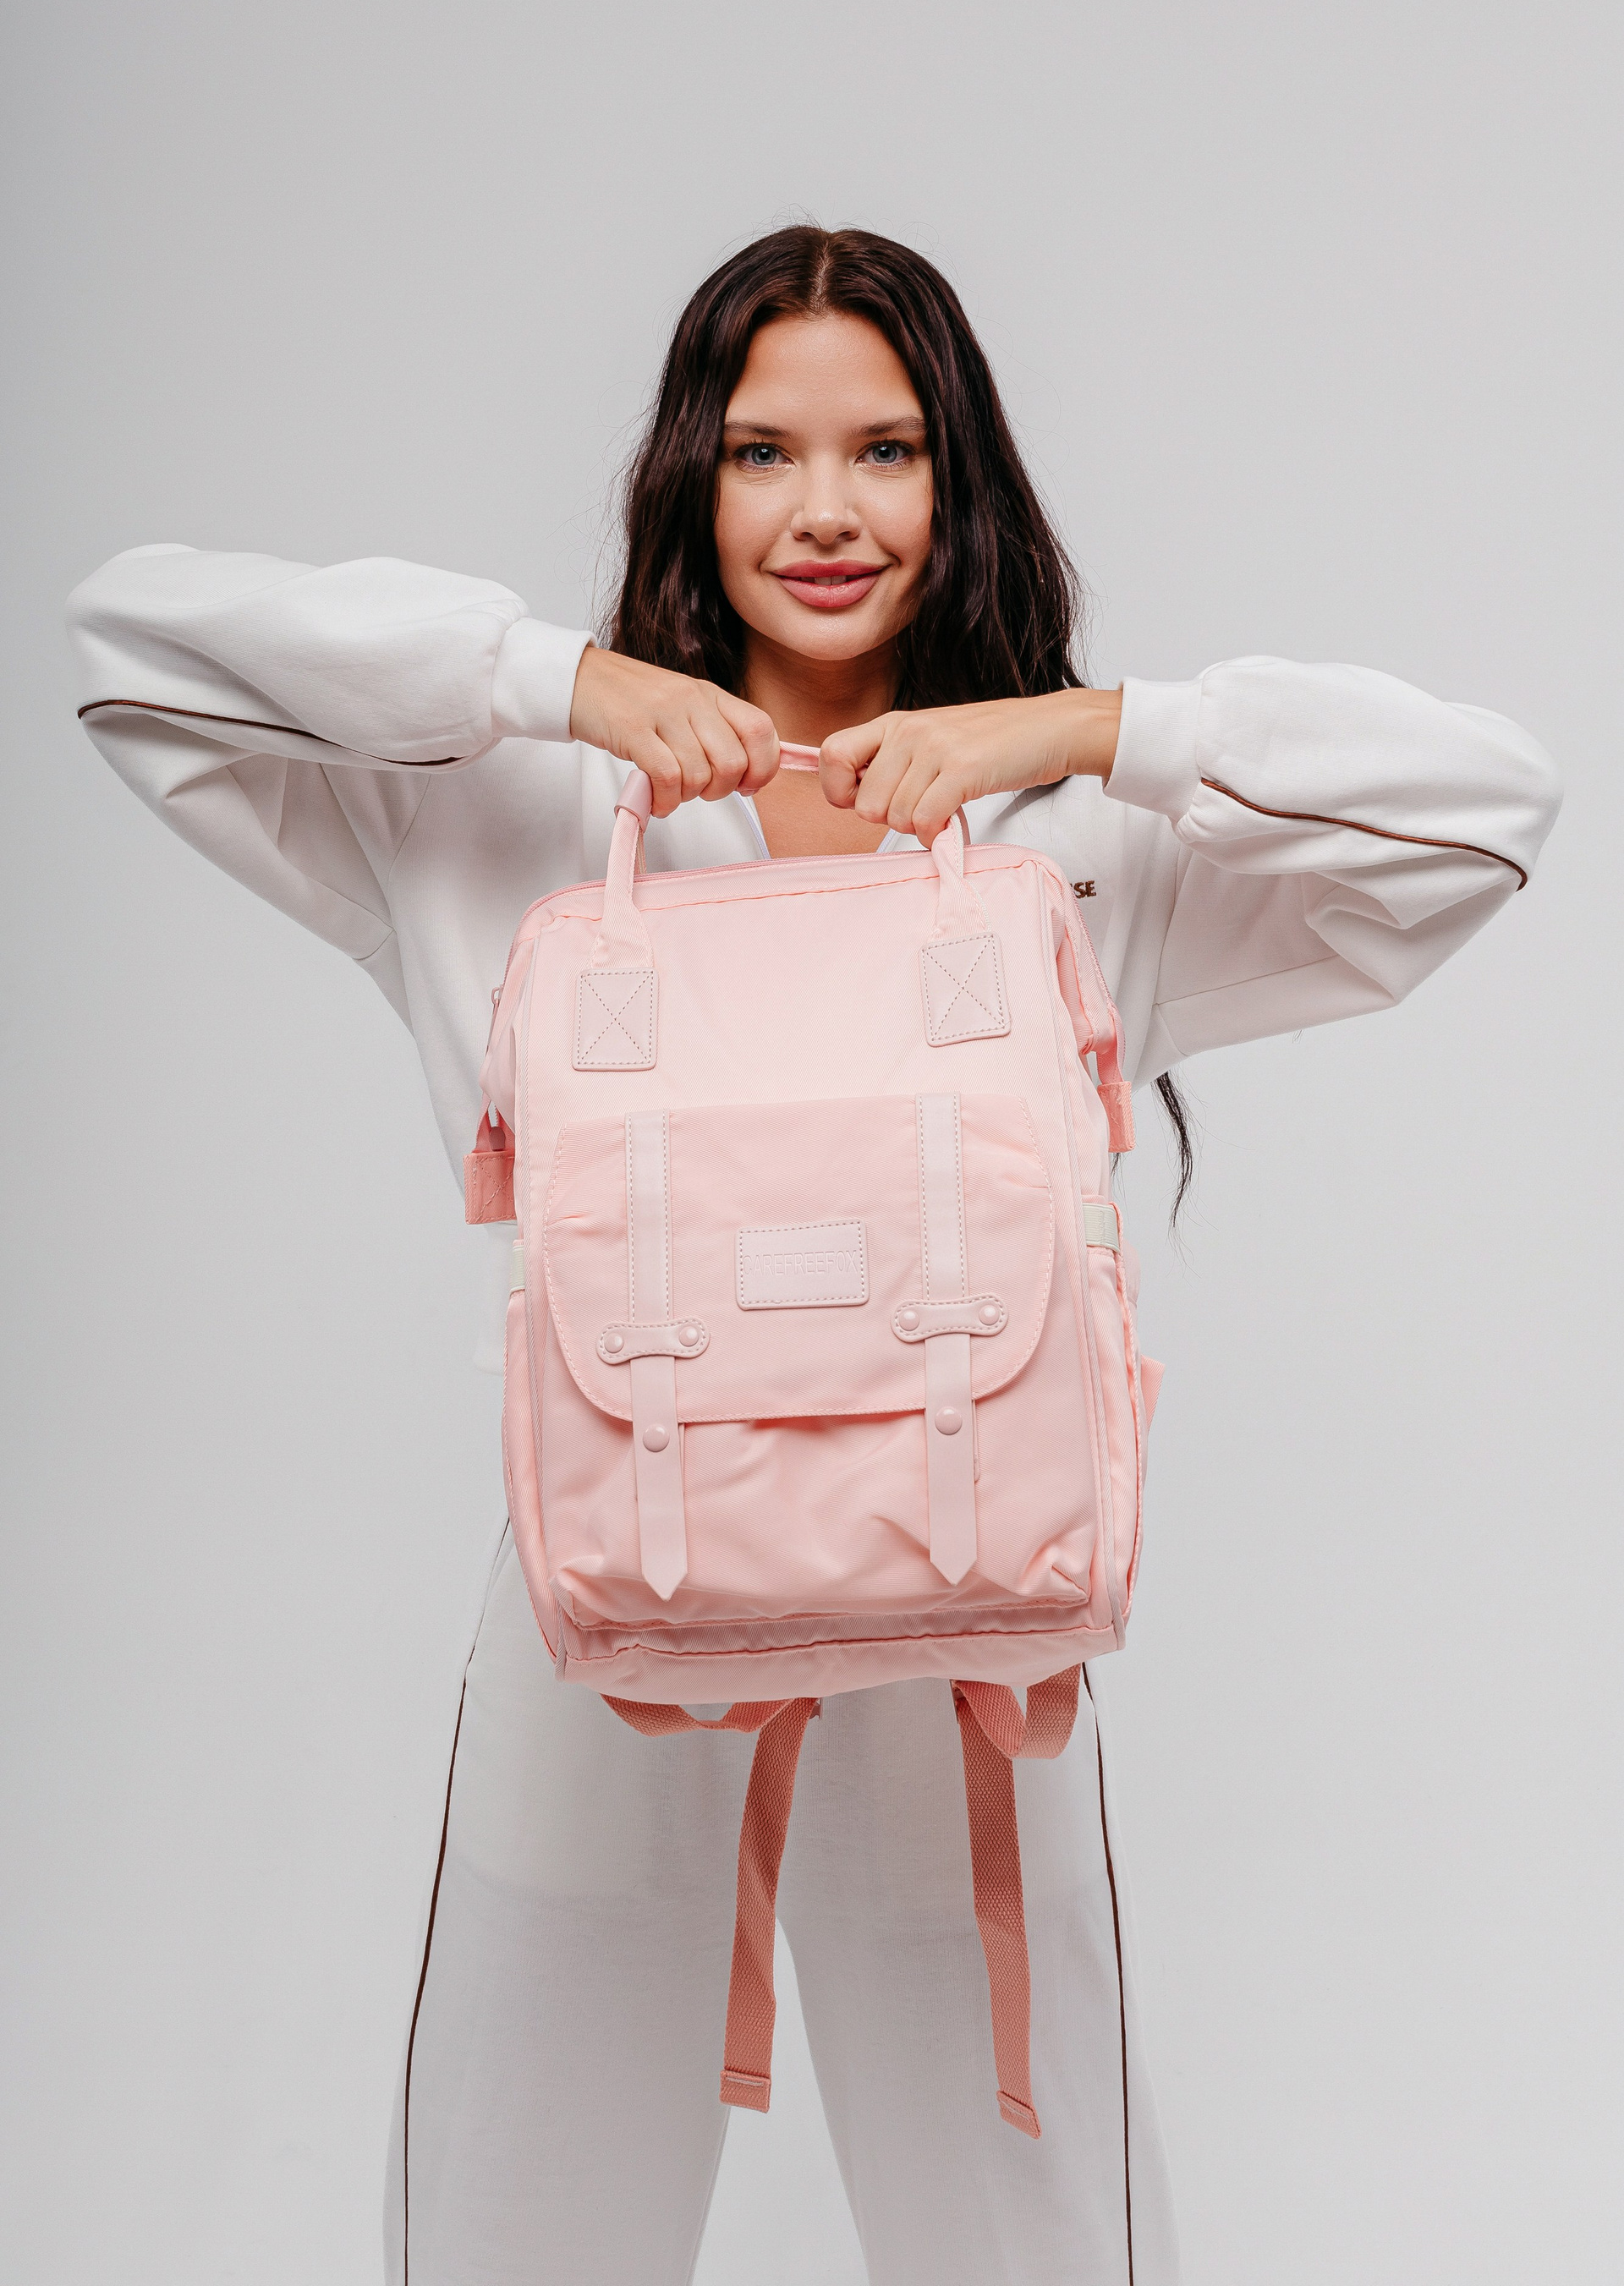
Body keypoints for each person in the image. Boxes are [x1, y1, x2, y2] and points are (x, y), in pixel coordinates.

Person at [68, 226, 1561, 2286]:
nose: (827, 512)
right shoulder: (519, 816)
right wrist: (554, 684)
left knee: (1033, 2247)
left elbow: (1491, 808)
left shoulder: (1074, 849)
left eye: (889, 450)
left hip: (967, 1665)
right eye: (764, 451)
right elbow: (131, 648)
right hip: (608, 1654)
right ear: (689, 476)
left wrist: (1079, 733)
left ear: (963, 483)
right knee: (519, 2242)